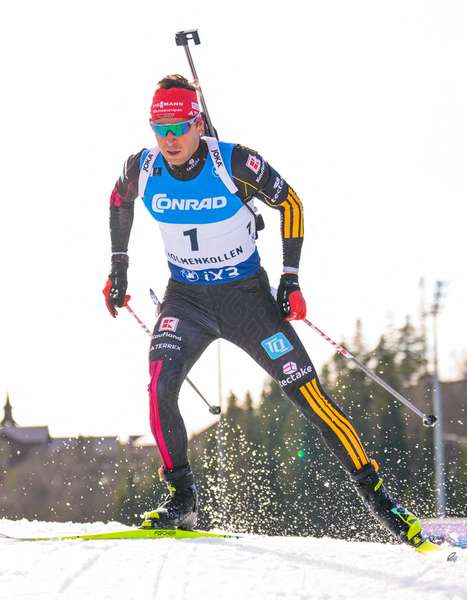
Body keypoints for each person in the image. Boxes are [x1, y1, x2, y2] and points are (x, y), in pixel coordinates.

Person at [103, 74, 433, 552]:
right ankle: (183, 500)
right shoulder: (144, 166)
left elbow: (290, 202)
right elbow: (117, 201)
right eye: (160, 127)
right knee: (160, 387)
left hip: (248, 301)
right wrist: (119, 267)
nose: (169, 138)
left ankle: (385, 506)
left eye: (178, 126)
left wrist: (291, 278)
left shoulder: (232, 160)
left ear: (198, 123)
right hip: (186, 300)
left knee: (311, 398)